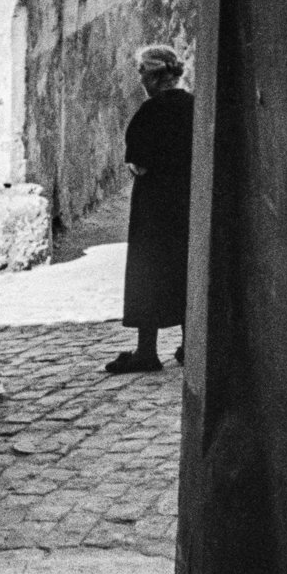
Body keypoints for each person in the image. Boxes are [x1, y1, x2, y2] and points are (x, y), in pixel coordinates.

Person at [106, 44, 195, 375]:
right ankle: (191, 345)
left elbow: (139, 164)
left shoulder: (151, 112)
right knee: (186, 268)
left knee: (149, 272)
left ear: (155, 76)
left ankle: (147, 351)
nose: (139, 78)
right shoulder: (193, 106)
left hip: (155, 207)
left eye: (142, 72)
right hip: (187, 201)